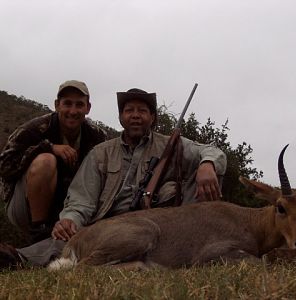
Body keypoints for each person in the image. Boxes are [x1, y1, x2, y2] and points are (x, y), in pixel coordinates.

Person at [0, 88, 226, 269]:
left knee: (208, 173)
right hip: (111, 229)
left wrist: (206, 165)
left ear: (152, 117)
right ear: (120, 117)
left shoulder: (172, 145)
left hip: (162, 230)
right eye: (129, 110)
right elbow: (82, 199)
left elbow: (214, 152)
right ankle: (17, 258)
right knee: (71, 241)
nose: (135, 115)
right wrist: (69, 219)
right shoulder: (101, 152)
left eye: (142, 110)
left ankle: (199, 248)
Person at [0, 80, 106, 243]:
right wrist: (47, 147)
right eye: (67, 104)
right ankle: (39, 235)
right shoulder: (34, 129)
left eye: (79, 105)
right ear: (57, 105)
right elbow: (4, 167)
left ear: (88, 108)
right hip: (22, 207)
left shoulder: (97, 136)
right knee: (46, 161)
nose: (73, 111)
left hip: (71, 207)